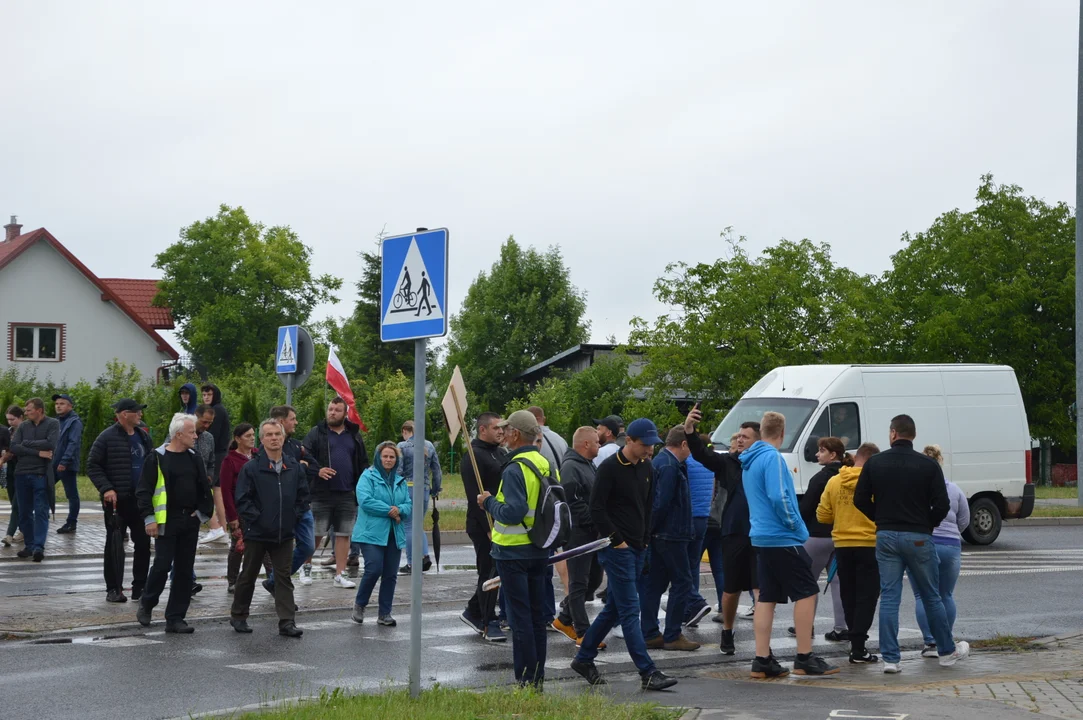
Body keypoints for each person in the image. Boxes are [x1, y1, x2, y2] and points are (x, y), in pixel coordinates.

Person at [854, 414, 969, 673]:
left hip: (885, 536)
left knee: (890, 597)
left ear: (893, 433)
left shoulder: (875, 463)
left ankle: (891, 660)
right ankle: (946, 652)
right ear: (913, 435)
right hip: (918, 536)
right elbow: (943, 504)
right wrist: (926, 524)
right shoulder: (928, 466)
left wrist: (880, 518)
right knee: (931, 595)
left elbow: (860, 499)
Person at [572, 418, 678, 692]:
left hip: (638, 548)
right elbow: (596, 509)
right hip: (617, 550)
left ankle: (583, 658)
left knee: (614, 610)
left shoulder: (647, 468)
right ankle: (648, 671)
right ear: (628, 440)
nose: (649, 451)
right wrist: (616, 541)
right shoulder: (608, 468)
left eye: (653, 446)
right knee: (631, 611)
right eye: (644, 445)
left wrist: (644, 541)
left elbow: (648, 505)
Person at [741, 411, 838, 678]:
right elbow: (780, 497)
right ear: (782, 434)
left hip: (760, 536)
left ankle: (762, 660)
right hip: (782, 537)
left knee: (767, 596)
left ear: (762, 431)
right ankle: (804, 657)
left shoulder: (750, 460)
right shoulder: (773, 458)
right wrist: (797, 526)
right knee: (807, 592)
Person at [682, 413, 759, 654]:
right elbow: (703, 455)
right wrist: (690, 432)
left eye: (746, 437)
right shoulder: (728, 463)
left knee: (761, 587)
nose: (740, 441)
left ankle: (763, 641)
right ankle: (727, 630)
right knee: (732, 587)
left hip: (761, 533)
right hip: (734, 531)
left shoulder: (766, 462)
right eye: (739, 437)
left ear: (758, 440)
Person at [135, 413, 214, 633]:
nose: (196, 436)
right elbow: (144, 491)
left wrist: (201, 514)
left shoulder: (194, 457)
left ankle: (176, 617)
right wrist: (149, 518)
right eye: (191, 432)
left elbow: (203, 488)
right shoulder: (157, 457)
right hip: (166, 521)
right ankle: (147, 603)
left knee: (184, 570)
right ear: (178, 435)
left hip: (189, 520)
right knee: (162, 565)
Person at [230, 419, 308, 637]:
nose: (274, 438)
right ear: (261, 440)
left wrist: (294, 518)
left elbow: (303, 498)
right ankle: (238, 615)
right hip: (257, 532)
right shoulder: (252, 468)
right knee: (249, 574)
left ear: (283, 438)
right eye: (269, 435)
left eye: (277, 434)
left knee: (283, 577)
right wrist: (260, 520)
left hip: (284, 533)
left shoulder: (293, 467)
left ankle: (286, 622)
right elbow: (243, 500)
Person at [817, 442, 882, 663]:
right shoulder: (876, 482)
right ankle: (858, 645)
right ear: (873, 461)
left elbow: (822, 515)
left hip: (843, 545)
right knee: (868, 596)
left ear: (856, 458)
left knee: (849, 594)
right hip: (870, 544)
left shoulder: (835, 481)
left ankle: (855, 644)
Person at [640, 426, 701, 652]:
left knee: (655, 584)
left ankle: (649, 633)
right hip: (670, 535)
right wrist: (651, 532)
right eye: (690, 446)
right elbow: (661, 503)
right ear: (683, 444)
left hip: (664, 534)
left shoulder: (663, 462)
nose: (692, 452)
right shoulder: (668, 465)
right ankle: (672, 634)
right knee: (683, 582)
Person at [87, 399, 153, 603]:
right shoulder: (106, 437)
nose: (140, 415)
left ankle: (139, 587)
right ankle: (114, 589)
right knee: (115, 544)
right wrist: (106, 488)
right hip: (117, 501)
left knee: (143, 543)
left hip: (140, 500)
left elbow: (151, 463)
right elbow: (92, 465)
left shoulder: (143, 436)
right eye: (137, 412)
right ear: (124, 414)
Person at [909, 444, 970, 660]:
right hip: (951, 545)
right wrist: (952, 533)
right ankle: (946, 637)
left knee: (922, 595)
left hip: (924, 543)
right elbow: (964, 519)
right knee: (946, 594)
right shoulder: (954, 489)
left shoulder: (915, 489)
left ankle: (930, 642)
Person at [303, 397, 370, 589]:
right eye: (330, 409)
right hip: (321, 493)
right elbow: (304, 457)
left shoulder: (354, 435)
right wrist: (318, 471)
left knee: (343, 534)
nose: (332, 412)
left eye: (337, 410)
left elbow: (363, 462)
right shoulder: (316, 433)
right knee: (315, 534)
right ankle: (306, 568)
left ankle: (340, 574)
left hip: (347, 493)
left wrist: (362, 485)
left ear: (344, 413)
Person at [551, 426, 606, 647]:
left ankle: (564, 619)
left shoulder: (587, 464)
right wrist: (595, 519)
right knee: (579, 583)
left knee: (594, 579)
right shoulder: (571, 467)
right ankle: (584, 633)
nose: (599, 446)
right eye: (596, 442)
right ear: (585, 444)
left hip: (591, 533)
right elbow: (572, 504)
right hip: (578, 533)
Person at [793, 436, 849, 642]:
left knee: (807, 582)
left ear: (832, 454)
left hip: (817, 535)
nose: (817, 454)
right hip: (841, 535)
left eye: (821, 451)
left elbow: (807, 508)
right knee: (838, 581)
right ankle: (842, 627)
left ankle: (805, 624)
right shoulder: (848, 475)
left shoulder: (820, 478)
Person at [459, 412, 507, 641]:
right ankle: (489, 621)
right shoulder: (473, 455)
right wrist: (488, 528)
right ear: (483, 430)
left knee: (497, 571)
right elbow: (473, 496)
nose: (501, 431)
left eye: (502, 428)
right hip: (483, 524)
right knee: (488, 572)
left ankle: (473, 610)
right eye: (496, 428)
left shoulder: (500, 452)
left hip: (502, 521)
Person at [352, 441, 412, 626]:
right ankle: (360, 604)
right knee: (374, 568)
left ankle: (384, 613)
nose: (388, 460)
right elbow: (365, 500)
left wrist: (400, 509)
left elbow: (409, 505)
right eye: (385, 456)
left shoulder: (400, 480)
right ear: (378, 457)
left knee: (390, 574)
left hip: (393, 533)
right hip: (370, 533)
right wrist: (390, 510)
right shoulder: (367, 476)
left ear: (396, 460)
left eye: (392, 457)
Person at [264, 405, 317, 591]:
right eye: (292, 418)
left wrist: (301, 467)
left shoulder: (296, 445)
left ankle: (274, 581)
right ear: (281, 421)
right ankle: (279, 583)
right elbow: (282, 470)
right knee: (278, 550)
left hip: (302, 505)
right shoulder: (267, 449)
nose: (296, 422)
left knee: (308, 546)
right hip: (281, 507)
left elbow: (314, 466)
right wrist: (300, 466)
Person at [219, 423, 268, 593]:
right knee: (238, 546)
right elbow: (225, 491)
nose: (251, 439)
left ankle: (272, 579)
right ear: (237, 439)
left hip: (260, 509)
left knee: (265, 545)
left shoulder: (258, 456)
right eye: (247, 436)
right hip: (240, 510)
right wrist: (232, 517)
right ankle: (232, 581)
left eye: (253, 435)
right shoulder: (229, 460)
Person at [10, 398, 59, 562]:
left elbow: (51, 443)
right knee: (24, 512)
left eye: (29, 409)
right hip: (22, 473)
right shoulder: (23, 426)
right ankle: (29, 546)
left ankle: (39, 547)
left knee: (40, 511)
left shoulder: (53, 424)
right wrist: (39, 452)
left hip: (41, 474)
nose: (26, 412)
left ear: (39, 410)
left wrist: (27, 444)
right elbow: (14, 447)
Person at [397, 420, 442, 575]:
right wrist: (435, 489)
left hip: (407, 488)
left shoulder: (402, 446)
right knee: (418, 524)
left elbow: (399, 471)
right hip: (423, 488)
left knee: (408, 526)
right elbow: (437, 471)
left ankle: (411, 563)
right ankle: (424, 555)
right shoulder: (429, 445)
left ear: (405, 431)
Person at [683, 434, 717, 628]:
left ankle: (691, 605)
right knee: (693, 565)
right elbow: (712, 492)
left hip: (688, 517)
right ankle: (691, 607)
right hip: (703, 517)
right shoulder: (708, 464)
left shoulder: (686, 462)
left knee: (682, 566)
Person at [199, 384, 231, 544]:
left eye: (209, 394)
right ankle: (223, 529)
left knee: (203, 489)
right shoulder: (219, 409)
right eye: (204, 394)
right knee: (217, 491)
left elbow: (211, 435)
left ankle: (214, 527)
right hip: (220, 454)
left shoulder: (216, 411)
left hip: (215, 455)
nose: (206, 397)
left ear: (215, 395)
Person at [51, 393, 83, 534]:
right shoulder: (56, 421)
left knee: (71, 494)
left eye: (62, 403)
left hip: (67, 464)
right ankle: (41, 516)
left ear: (70, 406)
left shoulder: (74, 422)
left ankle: (72, 523)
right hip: (53, 462)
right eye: (57, 403)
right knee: (43, 488)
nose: (58, 406)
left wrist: (64, 461)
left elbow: (73, 443)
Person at [2, 406, 23, 547]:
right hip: (11, 471)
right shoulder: (8, 432)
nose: (10, 422)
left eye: (13, 419)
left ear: (21, 417)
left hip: (22, 470)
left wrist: (5, 457)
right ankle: (25, 529)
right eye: (8, 419)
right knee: (14, 503)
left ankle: (9, 534)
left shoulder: (26, 431)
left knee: (17, 504)